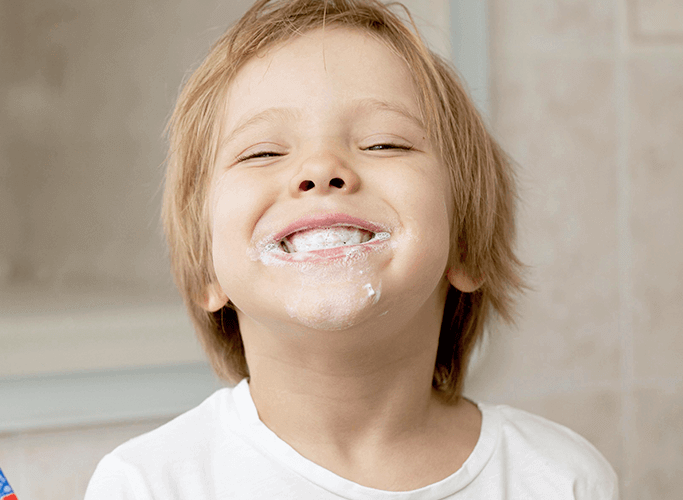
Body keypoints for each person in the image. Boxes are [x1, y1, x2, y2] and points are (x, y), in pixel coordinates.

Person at [84, 0, 618, 497]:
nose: (321, 169)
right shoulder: (149, 486)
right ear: (208, 271)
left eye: (384, 142)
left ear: (467, 245)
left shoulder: (558, 479)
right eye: (263, 151)